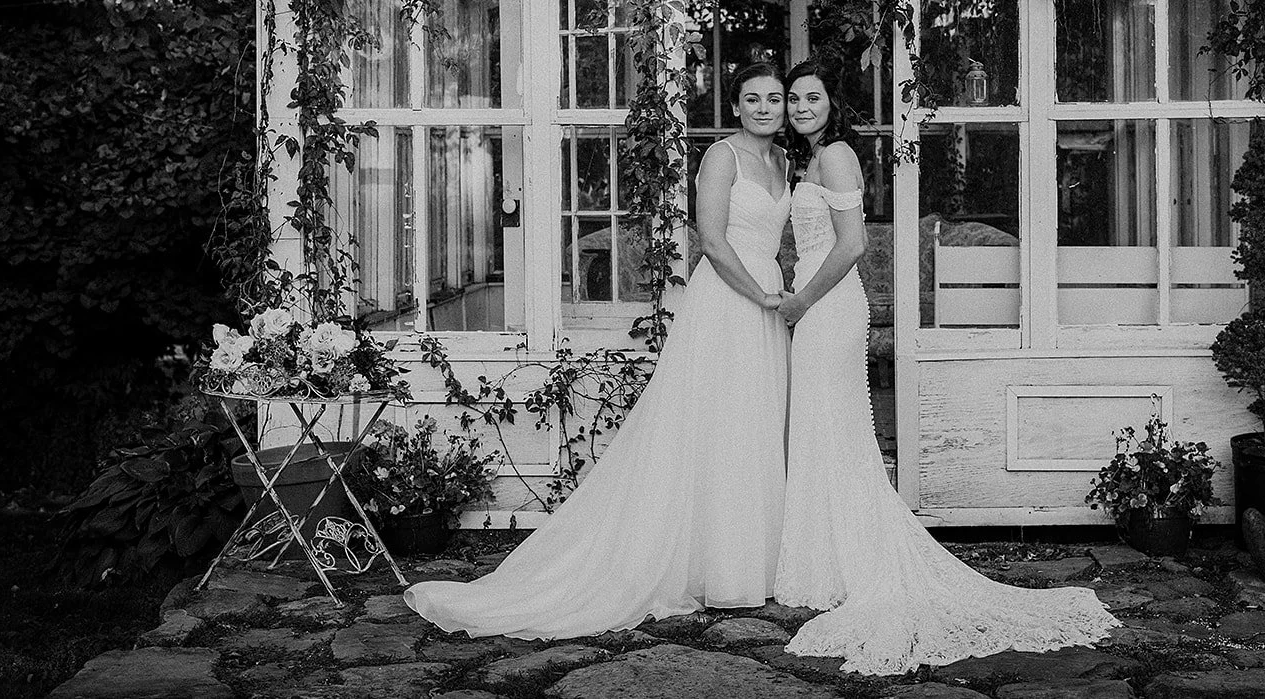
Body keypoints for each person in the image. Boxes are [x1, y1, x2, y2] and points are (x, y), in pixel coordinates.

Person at [406, 62, 793, 637]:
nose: (764, 108)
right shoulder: (722, 157)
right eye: (752, 98)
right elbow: (712, 241)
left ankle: (749, 561)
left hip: (769, 299)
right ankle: (714, 567)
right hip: (731, 301)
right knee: (718, 423)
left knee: (754, 422)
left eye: (774, 98)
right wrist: (762, 295)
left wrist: (781, 293)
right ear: (734, 106)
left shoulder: (783, 160)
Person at [773, 58, 1120, 674]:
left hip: (828, 307)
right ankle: (823, 559)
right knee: (824, 430)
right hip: (817, 305)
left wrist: (800, 301)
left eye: (812, 98)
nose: (801, 107)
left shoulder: (838, 156)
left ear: (832, 104)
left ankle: (850, 562)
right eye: (794, 98)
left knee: (833, 429)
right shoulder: (810, 159)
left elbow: (852, 245)